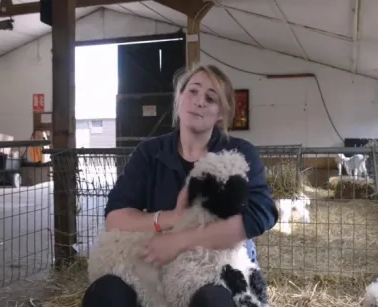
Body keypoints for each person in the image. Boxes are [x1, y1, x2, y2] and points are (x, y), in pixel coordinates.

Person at [81, 64, 278, 307]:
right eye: (193, 91)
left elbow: (261, 214)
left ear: (220, 114)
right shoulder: (149, 153)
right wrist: (173, 218)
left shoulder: (239, 154)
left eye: (210, 98)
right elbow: (115, 216)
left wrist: (178, 241)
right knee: (105, 294)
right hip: (155, 264)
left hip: (214, 265)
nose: (199, 102)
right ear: (179, 99)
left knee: (213, 301)